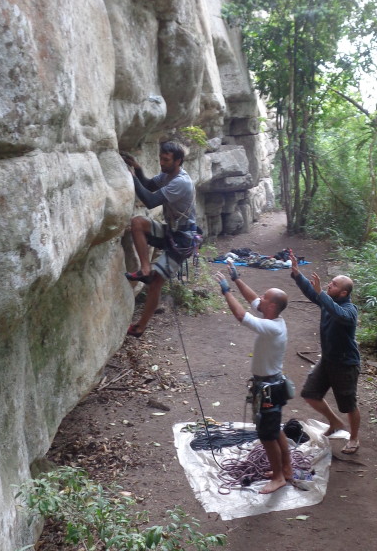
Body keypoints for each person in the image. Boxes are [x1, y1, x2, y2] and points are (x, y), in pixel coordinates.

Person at [214, 265, 292, 494]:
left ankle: (279, 477)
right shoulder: (274, 318)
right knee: (275, 429)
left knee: (267, 435)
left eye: (265, 297)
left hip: (269, 388)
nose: (260, 298)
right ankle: (285, 468)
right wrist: (237, 280)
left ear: (272, 306)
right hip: (270, 384)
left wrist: (226, 291)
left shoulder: (271, 327)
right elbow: (252, 300)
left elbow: (241, 315)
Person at [121, 140, 197, 337]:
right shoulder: (167, 175)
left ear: (178, 161)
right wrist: (137, 169)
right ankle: (145, 269)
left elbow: (150, 200)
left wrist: (131, 178)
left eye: (166, 160)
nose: (162, 163)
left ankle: (140, 327)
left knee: (156, 283)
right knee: (137, 223)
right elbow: (148, 185)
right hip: (171, 231)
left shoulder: (181, 182)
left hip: (182, 239)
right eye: (160, 159)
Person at [289, 251, 361, 454]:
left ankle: (354, 438)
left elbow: (338, 314)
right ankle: (335, 422)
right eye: (331, 282)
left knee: (348, 405)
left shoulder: (349, 310)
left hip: (346, 364)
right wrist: (297, 274)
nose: (330, 285)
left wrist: (321, 293)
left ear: (343, 293)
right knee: (310, 394)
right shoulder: (328, 301)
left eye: (334, 285)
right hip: (328, 360)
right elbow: (313, 293)